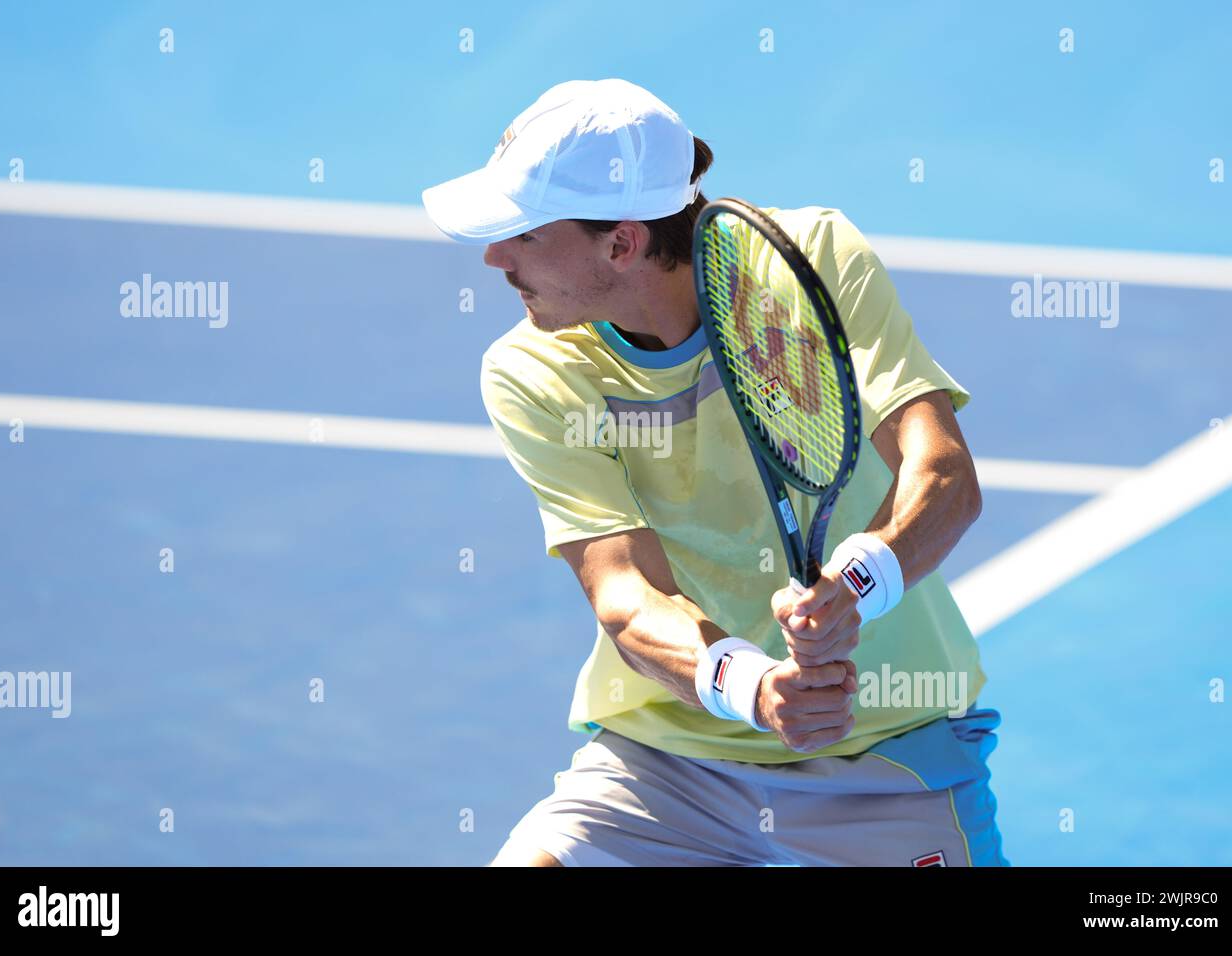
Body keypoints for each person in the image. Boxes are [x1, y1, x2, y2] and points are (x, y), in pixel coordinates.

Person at [422, 78, 1009, 867]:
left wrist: (857, 586)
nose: (495, 257)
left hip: (887, 764)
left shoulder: (812, 260)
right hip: (668, 767)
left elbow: (943, 476)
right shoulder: (532, 369)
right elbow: (625, 596)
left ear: (622, 243)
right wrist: (755, 688)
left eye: (523, 235)